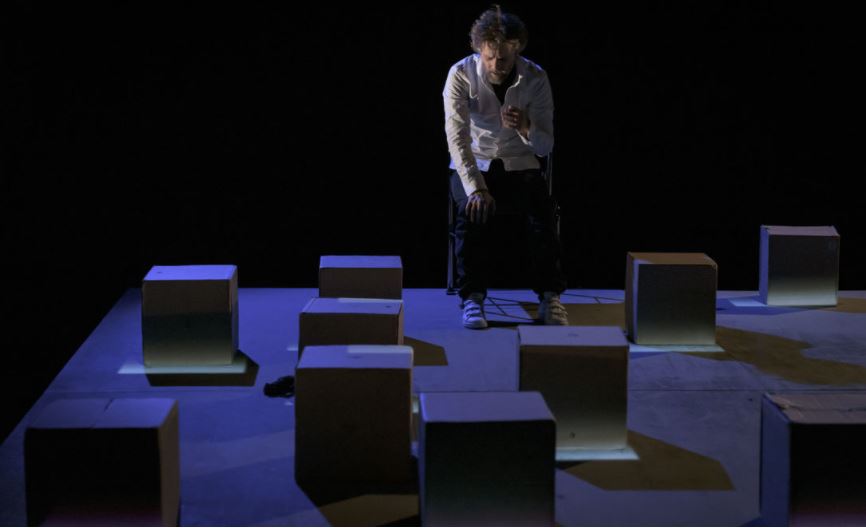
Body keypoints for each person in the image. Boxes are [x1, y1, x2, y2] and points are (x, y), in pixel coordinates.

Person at [444, 5, 568, 329]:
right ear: (479, 50)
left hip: (519, 162)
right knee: (471, 213)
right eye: (489, 58)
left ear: (517, 50)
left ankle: (550, 296)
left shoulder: (536, 78)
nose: (496, 65)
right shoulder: (460, 74)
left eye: (503, 59)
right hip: (475, 162)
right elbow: (457, 139)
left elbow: (545, 146)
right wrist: (476, 188)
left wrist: (526, 126)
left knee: (542, 214)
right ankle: (472, 298)